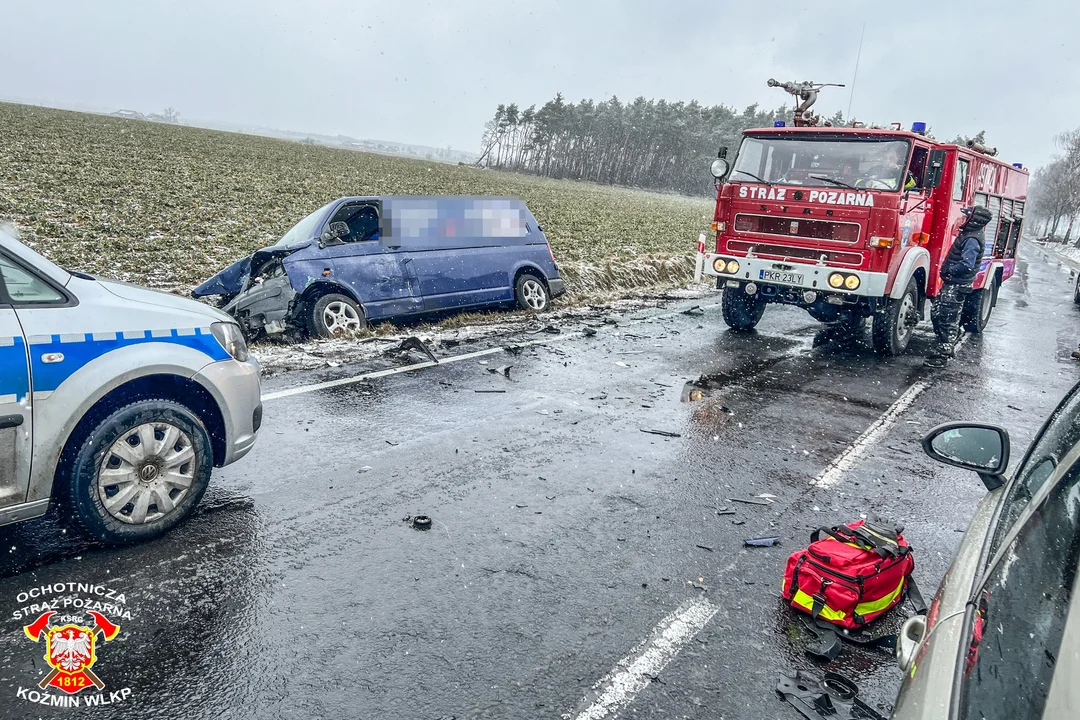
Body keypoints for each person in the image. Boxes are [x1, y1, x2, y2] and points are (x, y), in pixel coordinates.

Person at [926, 206, 994, 367]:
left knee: (947, 318)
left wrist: (950, 270)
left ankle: (943, 354)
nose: (963, 219)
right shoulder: (969, 235)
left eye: (967, 216)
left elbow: (967, 264)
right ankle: (944, 345)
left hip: (957, 285)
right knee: (938, 313)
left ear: (974, 220)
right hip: (953, 283)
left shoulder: (972, 239)